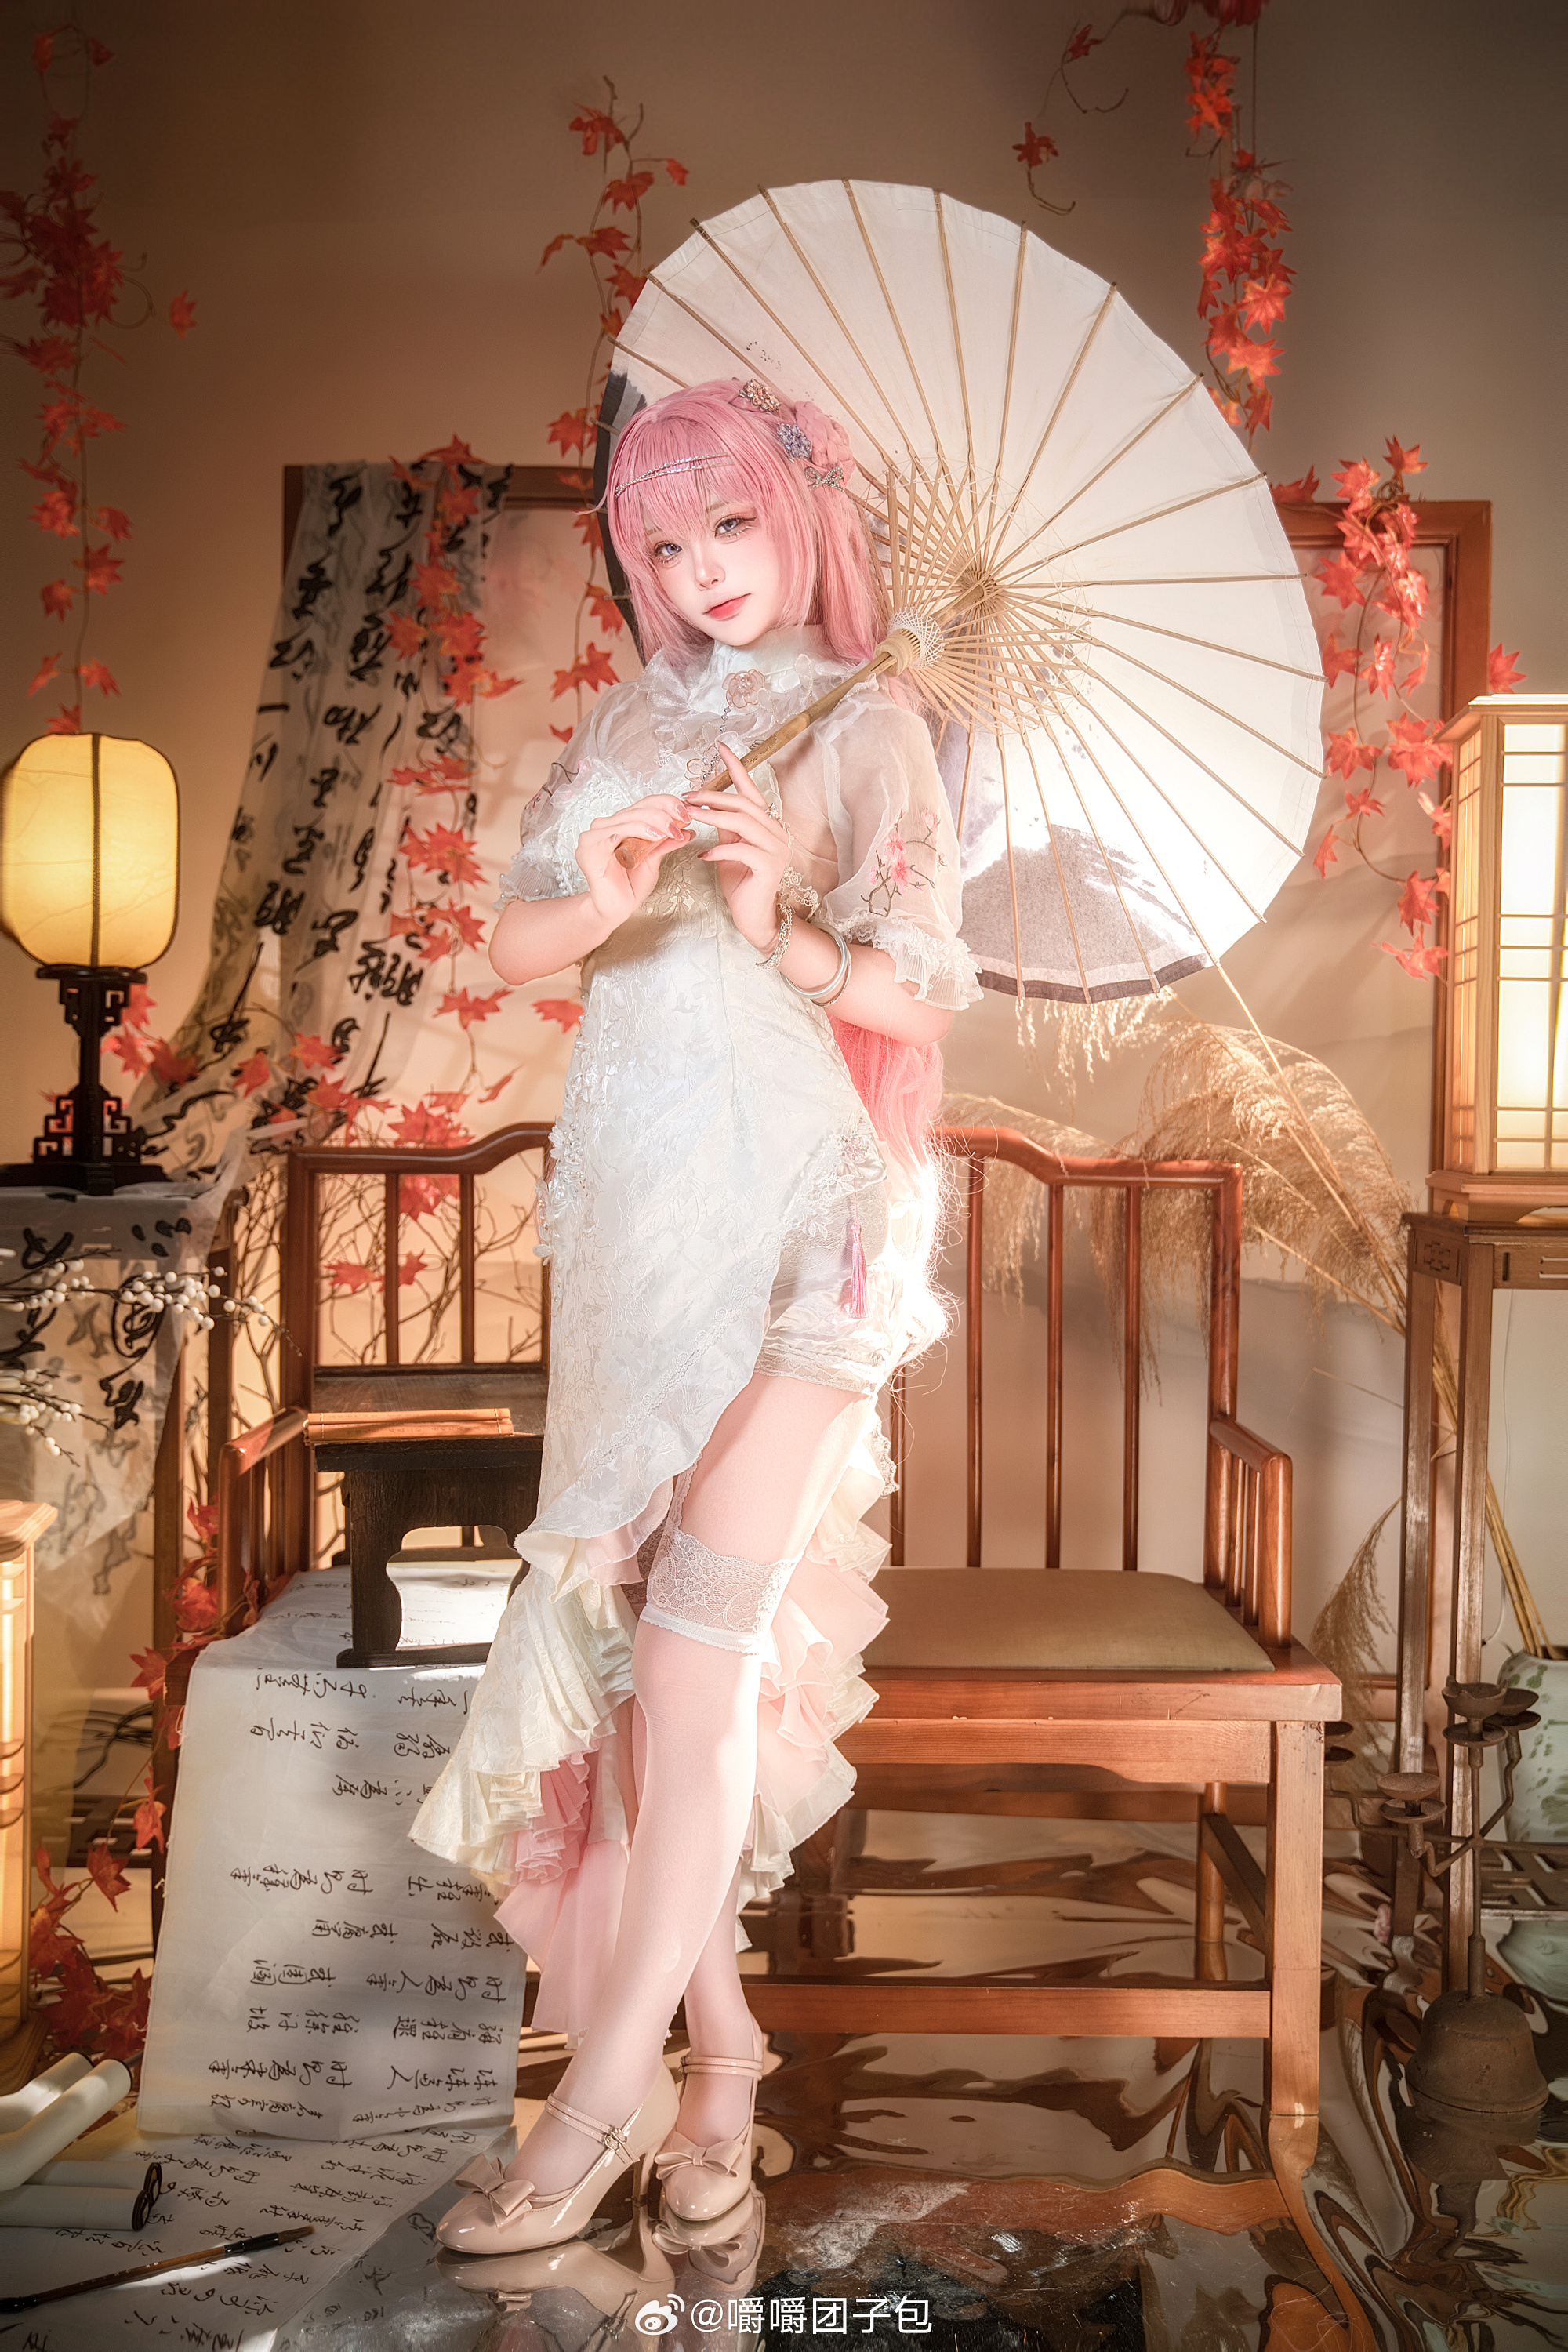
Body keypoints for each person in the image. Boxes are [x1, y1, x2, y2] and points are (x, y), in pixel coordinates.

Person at [412, 376, 978, 2253]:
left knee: (693, 1649)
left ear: (796, 519)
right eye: (662, 542)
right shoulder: (629, 719)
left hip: (811, 1226)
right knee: (641, 1676)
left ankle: (592, 2110)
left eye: (729, 524)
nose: (700, 568)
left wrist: (775, 920)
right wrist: (601, 892)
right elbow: (516, 941)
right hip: (640, 1237)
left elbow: (921, 999)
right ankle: (720, 2067)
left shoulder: (877, 720)